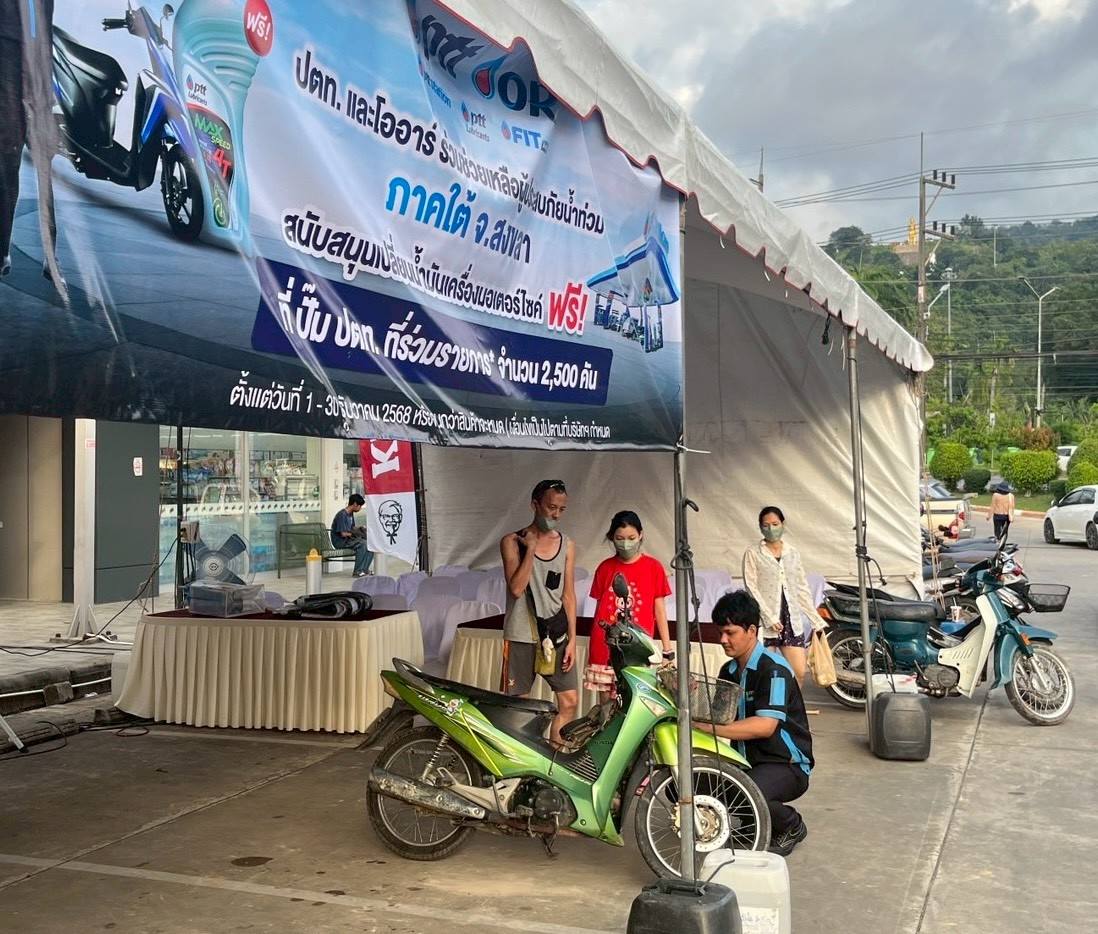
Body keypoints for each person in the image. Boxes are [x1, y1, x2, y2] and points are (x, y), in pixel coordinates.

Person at [694, 590, 814, 857]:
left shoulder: (774, 670)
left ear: (751, 630)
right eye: (720, 632)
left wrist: (708, 728)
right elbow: (719, 716)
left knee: (749, 791)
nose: (723, 640)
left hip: (787, 764)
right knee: (689, 784)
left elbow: (765, 726)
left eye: (730, 633)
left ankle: (791, 824)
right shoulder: (728, 671)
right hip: (747, 762)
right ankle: (755, 820)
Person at [499, 479, 578, 746]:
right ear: (535, 505)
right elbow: (516, 589)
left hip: (555, 634)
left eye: (561, 509)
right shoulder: (512, 541)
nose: (556, 514)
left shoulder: (567, 545)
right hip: (521, 634)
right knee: (519, 707)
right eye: (551, 507)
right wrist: (530, 548)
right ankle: (521, 759)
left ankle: (555, 758)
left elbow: (568, 594)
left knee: (569, 700)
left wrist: (573, 640)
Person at [585, 510, 674, 700]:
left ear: (641, 535)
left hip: (638, 649)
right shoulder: (604, 568)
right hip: (605, 648)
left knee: (636, 702)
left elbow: (660, 611)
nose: (626, 543)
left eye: (631, 538)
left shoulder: (654, 568)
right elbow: (599, 611)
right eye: (620, 538)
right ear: (612, 537)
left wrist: (667, 651)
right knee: (607, 707)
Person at [742, 505, 827, 684]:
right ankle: (768, 702)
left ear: (783, 524)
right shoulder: (753, 553)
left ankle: (793, 702)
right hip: (765, 621)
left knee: (799, 671)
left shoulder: (792, 553)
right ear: (760, 527)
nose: (771, 529)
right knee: (764, 673)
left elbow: (801, 587)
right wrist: (769, 617)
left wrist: (815, 619)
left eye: (775, 524)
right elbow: (751, 586)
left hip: (790, 620)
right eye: (766, 525)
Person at [331, 493, 373, 577]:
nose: (360, 508)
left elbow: (352, 528)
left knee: (370, 544)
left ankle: (364, 569)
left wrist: (360, 529)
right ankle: (357, 571)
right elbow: (343, 534)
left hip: (348, 540)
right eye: (360, 506)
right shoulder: (342, 515)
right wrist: (355, 534)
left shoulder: (350, 514)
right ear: (355, 504)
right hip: (340, 541)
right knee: (363, 544)